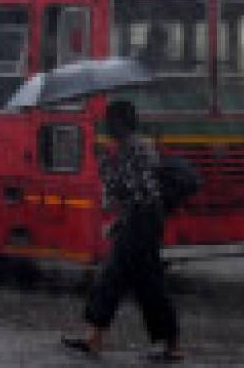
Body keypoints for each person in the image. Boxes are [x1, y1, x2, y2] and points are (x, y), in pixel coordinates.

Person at [62, 99, 182, 362]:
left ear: (119, 123)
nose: (107, 126)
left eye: (110, 121)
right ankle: (94, 337)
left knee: (146, 283)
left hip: (142, 222)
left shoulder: (133, 149)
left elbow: (129, 190)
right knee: (113, 279)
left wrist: (104, 162)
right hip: (142, 219)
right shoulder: (139, 146)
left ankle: (172, 345)